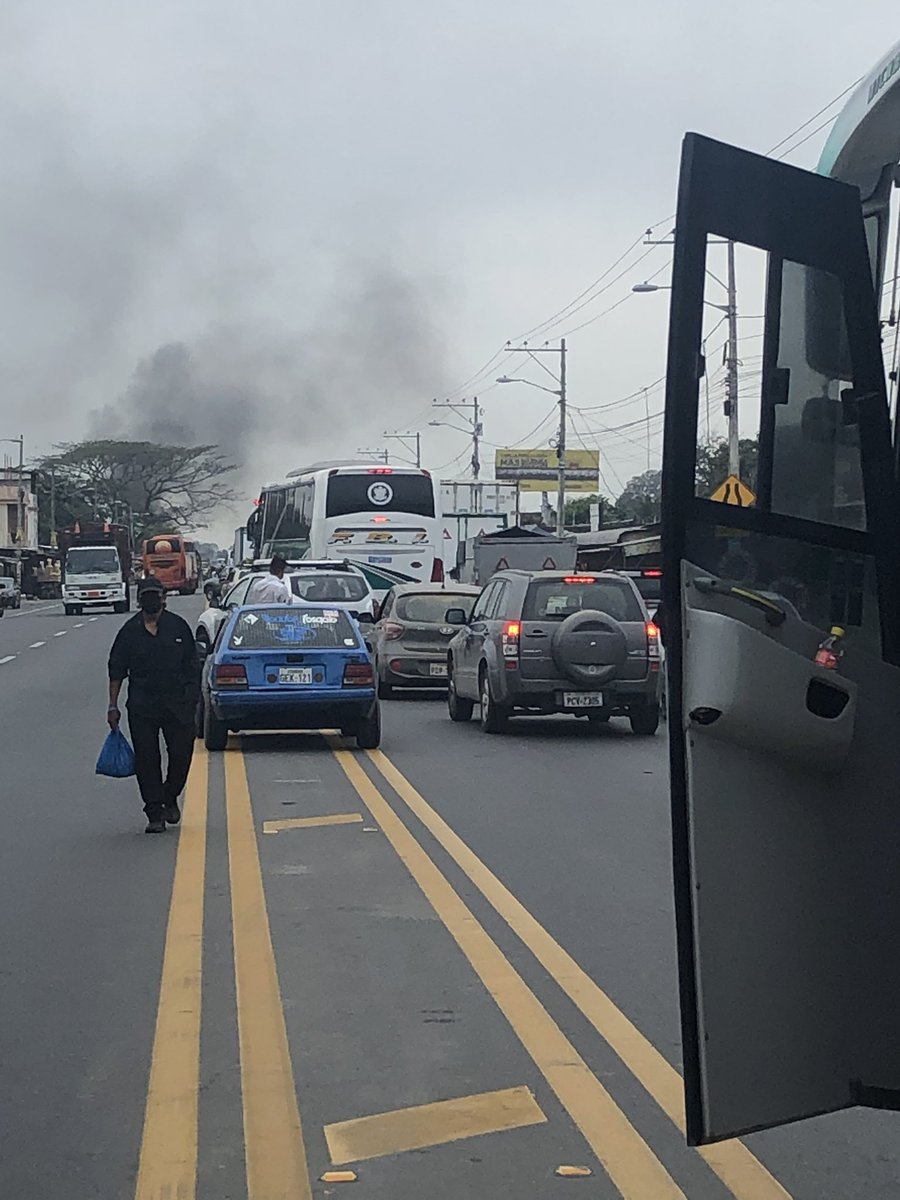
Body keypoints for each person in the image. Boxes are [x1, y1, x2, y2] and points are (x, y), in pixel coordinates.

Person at [107, 575, 200, 834]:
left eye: (155, 595)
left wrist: (192, 700)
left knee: (181, 755)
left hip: (178, 704)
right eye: (145, 595)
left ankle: (170, 795)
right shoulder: (129, 631)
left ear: (164, 599)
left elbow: (193, 667)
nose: (151, 600)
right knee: (147, 760)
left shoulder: (178, 627)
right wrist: (112, 706)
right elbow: (116, 670)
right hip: (142, 706)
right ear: (139, 600)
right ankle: (154, 811)